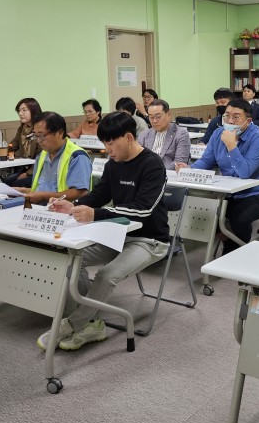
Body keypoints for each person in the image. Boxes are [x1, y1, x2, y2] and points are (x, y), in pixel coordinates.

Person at [42, 112, 170, 351]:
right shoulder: (113, 164)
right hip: (117, 235)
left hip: (149, 240)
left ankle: (74, 324)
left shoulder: (152, 165)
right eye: (104, 143)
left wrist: (96, 214)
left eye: (111, 143)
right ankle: (92, 322)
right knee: (72, 257)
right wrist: (73, 205)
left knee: (105, 275)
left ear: (129, 137)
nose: (107, 149)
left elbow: (142, 210)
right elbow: (99, 195)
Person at [187, 98, 259, 254]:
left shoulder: (258, 137)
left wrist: (231, 145)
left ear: (248, 121)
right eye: (227, 116)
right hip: (231, 192)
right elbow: (206, 161)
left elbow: (245, 172)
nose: (229, 120)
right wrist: (188, 170)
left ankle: (238, 252)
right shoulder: (218, 134)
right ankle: (230, 242)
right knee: (202, 212)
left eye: (236, 117)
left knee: (239, 218)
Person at [13, 111, 91, 204]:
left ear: (60, 133)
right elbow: (40, 189)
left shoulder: (77, 156)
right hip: (39, 207)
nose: (39, 141)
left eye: (42, 135)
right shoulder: (42, 156)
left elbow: (80, 193)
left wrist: (42, 197)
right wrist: (21, 191)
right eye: (36, 136)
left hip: (63, 208)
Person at [138, 98, 190, 169]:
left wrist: (155, 171)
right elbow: (138, 158)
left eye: (158, 117)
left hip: (168, 173)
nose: (154, 121)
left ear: (168, 115)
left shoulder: (181, 134)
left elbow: (179, 163)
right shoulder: (144, 134)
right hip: (146, 173)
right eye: (151, 117)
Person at [3, 97, 42, 187]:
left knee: (17, 183)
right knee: (6, 181)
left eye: (24, 110)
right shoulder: (22, 128)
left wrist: (28, 174)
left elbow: (42, 157)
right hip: (25, 168)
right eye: (19, 111)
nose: (20, 113)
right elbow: (12, 146)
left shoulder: (41, 129)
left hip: (38, 170)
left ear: (34, 111)